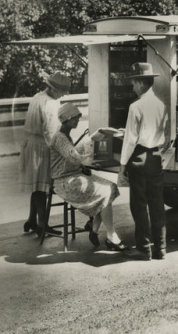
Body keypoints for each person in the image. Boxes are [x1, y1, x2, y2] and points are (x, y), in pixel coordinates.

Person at [50, 103, 127, 251]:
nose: (77, 121)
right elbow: (74, 156)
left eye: (78, 118)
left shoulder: (65, 136)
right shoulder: (60, 138)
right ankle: (111, 236)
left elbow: (69, 159)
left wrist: (83, 167)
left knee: (110, 187)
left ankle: (94, 229)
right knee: (104, 192)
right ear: (66, 119)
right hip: (65, 182)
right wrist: (92, 144)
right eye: (75, 119)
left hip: (74, 176)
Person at [119, 63, 170, 260]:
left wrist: (123, 164)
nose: (133, 87)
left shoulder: (136, 106)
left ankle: (144, 247)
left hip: (139, 156)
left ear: (140, 83)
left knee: (139, 204)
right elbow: (164, 134)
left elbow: (130, 139)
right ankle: (161, 247)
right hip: (155, 156)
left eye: (134, 83)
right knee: (157, 202)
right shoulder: (161, 104)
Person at [19, 71, 71, 236]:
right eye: (62, 92)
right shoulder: (51, 104)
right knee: (41, 186)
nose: (63, 95)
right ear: (55, 90)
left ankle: (32, 219)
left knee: (36, 185)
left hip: (30, 144)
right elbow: (50, 132)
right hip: (41, 146)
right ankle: (42, 223)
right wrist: (60, 149)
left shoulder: (37, 97)